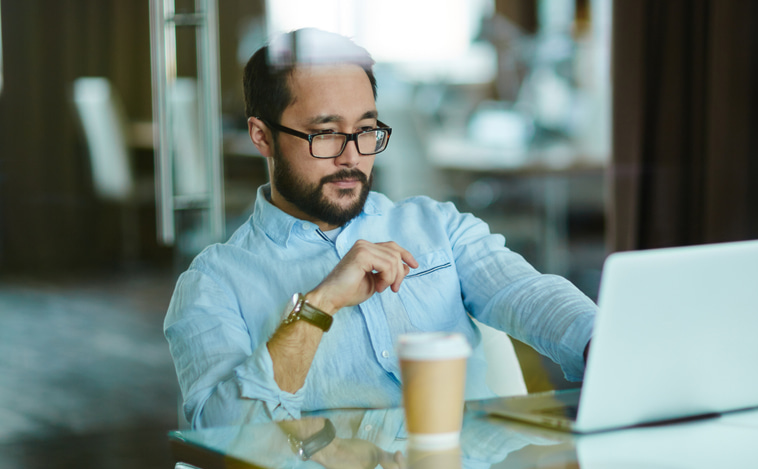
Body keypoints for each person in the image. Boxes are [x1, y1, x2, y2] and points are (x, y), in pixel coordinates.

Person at [164, 28, 597, 429]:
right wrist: (320, 304)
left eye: (367, 130)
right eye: (327, 133)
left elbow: (526, 293)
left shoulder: (436, 225)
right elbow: (222, 431)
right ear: (262, 136)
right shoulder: (215, 283)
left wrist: (601, 343)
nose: (352, 157)